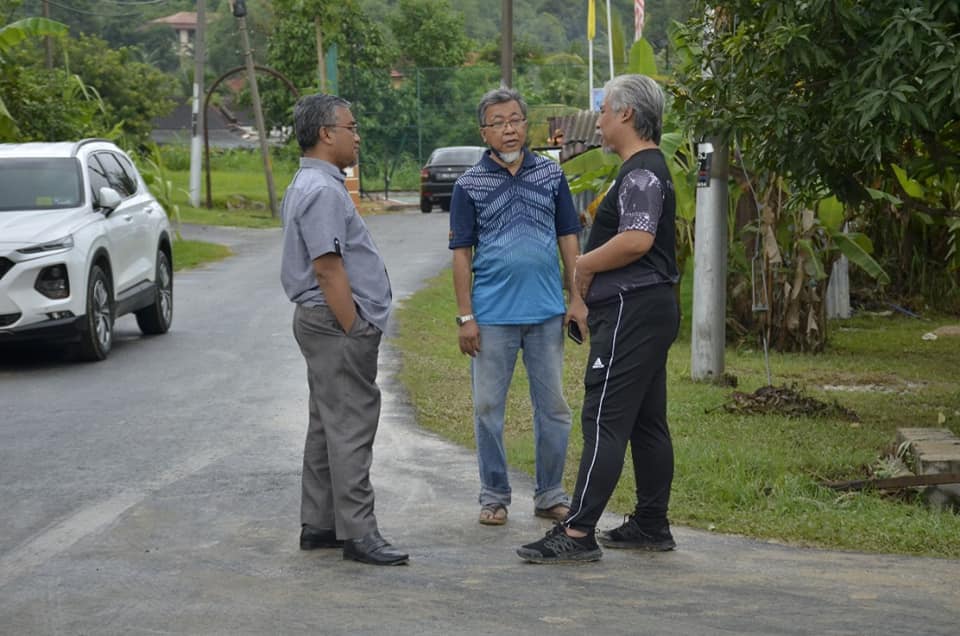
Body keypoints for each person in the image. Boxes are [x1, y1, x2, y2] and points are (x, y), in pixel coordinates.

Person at [517, 74, 680, 563]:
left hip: (633, 308)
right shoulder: (641, 169)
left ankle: (578, 533)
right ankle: (651, 522)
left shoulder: (642, 173)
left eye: (605, 110)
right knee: (647, 422)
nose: (601, 120)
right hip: (648, 307)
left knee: (604, 417)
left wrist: (583, 266)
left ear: (627, 115)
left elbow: (637, 239)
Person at [280, 93, 408, 566]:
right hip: (335, 325)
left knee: (327, 423)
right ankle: (359, 532)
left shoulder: (309, 183)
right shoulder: (323, 191)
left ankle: (320, 523)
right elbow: (328, 269)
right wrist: (354, 326)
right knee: (352, 423)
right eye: (351, 128)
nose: (357, 136)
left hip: (325, 324)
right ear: (326, 134)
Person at [449, 87, 586, 527]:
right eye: (498, 122)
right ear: (484, 131)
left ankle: (550, 494)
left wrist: (576, 297)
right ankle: (494, 495)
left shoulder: (551, 175)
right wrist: (466, 316)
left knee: (555, 409)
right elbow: (461, 254)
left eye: (516, 120)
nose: (509, 129)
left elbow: (569, 237)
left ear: (527, 126)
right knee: (488, 408)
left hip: (546, 313)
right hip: (491, 319)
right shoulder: (468, 185)